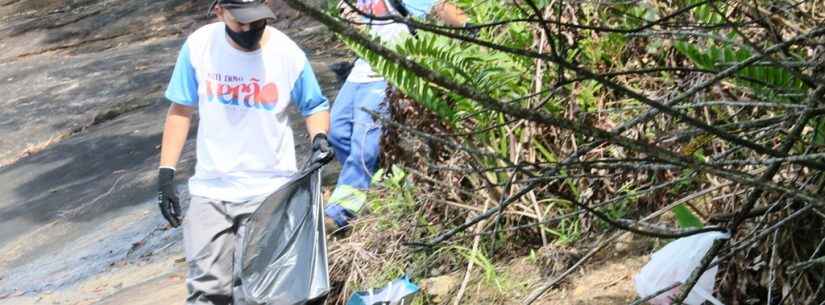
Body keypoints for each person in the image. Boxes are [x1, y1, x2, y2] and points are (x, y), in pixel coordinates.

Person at [156, 0, 331, 304]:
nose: (249, 29)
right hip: (211, 191)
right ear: (219, 11)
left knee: (260, 292)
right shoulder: (199, 47)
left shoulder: (286, 53)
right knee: (207, 290)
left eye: (257, 20)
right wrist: (166, 174)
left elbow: (315, 105)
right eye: (240, 22)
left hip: (270, 192)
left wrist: (319, 138)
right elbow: (181, 109)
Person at [324, 0, 472, 232]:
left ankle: (340, 214)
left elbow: (437, 6)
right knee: (336, 132)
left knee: (364, 146)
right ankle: (374, 193)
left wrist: (471, 27)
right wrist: (350, 20)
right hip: (361, 69)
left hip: (389, 71)